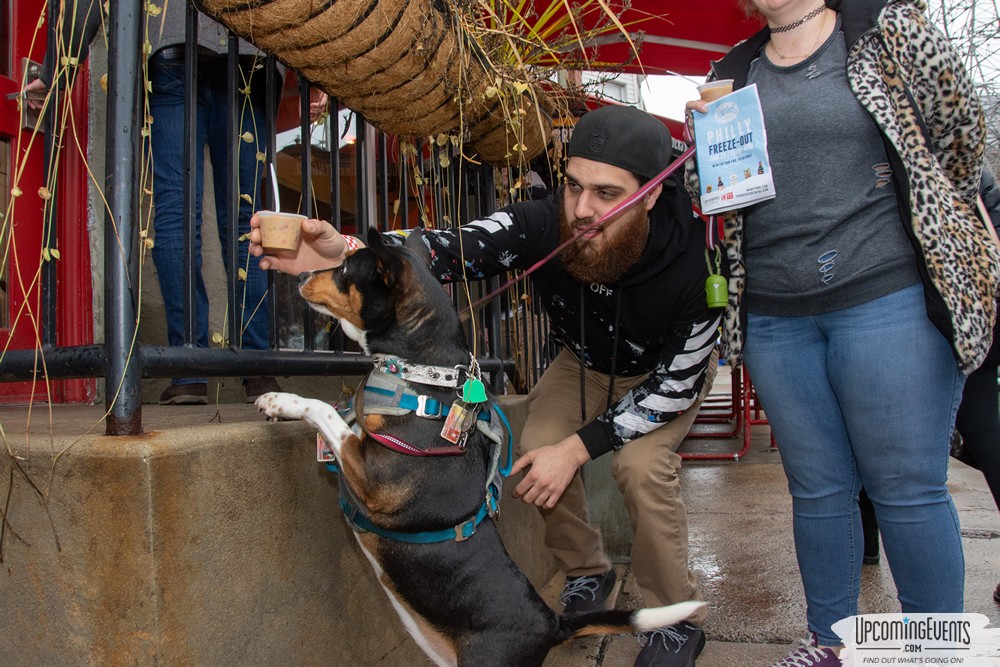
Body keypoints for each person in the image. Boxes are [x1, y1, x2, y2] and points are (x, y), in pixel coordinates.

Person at [250, 104, 724, 667]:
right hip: (585, 363)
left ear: (648, 195)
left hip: (661, 376)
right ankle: (587, 571)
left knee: (638, 469)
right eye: (573, 186)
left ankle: (676, 618)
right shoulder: (543, 222)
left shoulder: (697, 259)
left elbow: (678, 382)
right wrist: (342, 250)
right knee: (535, 447)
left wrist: (577, 450)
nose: (582, 209)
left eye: (606, 193)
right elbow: (439, 250)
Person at [685, 1, 999, 665]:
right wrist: (704, 142)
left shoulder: (887, 30)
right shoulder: (732, 70)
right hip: (777, 314)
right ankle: (831, 642)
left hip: (887, 296)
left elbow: (961, 136)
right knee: (818, 488)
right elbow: (710, 192)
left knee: (906, 485)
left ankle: (931, 650)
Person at [24, 2, 300, 404]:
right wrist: (315, 74)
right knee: (245, 220)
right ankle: (259, 368)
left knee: (176, 211)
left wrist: (56, 69)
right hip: (252, 52)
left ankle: (188, 367)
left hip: (174, 43)